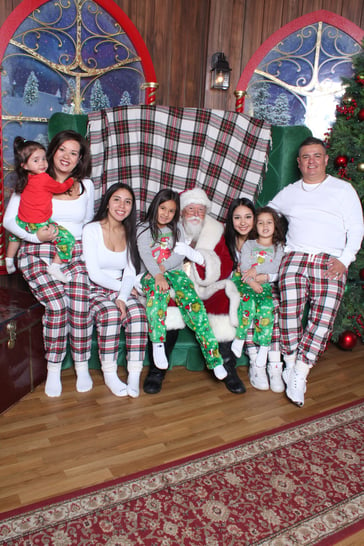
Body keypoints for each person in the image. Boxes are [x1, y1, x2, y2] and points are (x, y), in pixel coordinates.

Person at [269, 136, 364, 407]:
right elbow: (268, 216)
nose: (312, 161)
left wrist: (345, 260)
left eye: (317, 156)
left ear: (325, 159)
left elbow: (356, 228)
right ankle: (289, 361)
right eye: (306, 157)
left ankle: (301, 370)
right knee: (288, 312)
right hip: (295, 258)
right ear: (299, 163)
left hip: (330, 260)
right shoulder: (289, 192)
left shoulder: (342, 189)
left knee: (322, 319)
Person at [4, 130, 95, 398]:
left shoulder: (87, 186)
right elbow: (10, 222)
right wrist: (35, 236)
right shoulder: (32, 180)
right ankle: (54, 369)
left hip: (72, 253)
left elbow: (88, 226)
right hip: (36, 250)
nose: (67, 156)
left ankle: (81, 366)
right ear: (52, 151)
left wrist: (87, 258)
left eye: (74, 152)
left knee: (80, 306)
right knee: (57, 306)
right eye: (62, 150)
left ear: (79, 159)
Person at [142, 187, 245, 395]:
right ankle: (157, 369)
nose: (196, 214)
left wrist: (199, 257)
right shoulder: (168, 227)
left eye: (201, 210)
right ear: (181, 212)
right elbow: (151, 257)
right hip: (176, 284)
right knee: (167, 302)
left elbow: (225, 265)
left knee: (224, 298)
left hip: (205, 286)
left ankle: (226, 365)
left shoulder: (217, 230)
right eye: (191, 209)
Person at [82, 183, 148, 398]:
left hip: (121, 286)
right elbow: (94, 273)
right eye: (117, 199)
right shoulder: (91, 229)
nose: (122, 206)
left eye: (128, 202)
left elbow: (129, 271)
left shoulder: (129, 232)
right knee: (111, 314)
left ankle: (134, 375)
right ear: (108, 203)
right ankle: (109, 373)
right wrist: (122, 291)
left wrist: (122, 296)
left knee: (138, 313)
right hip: (95, 288)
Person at [6, 136, 75, 283]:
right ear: (24, 165)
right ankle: (55, 266)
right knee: (68, 239)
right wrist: (71, 180)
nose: (43, 163)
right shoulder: (44, 178)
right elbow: (60, 187)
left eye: (44, 159)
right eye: (36, 160)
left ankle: (9, 260)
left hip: (22, 222)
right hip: (39, 224)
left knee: (14, 236)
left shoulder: (23, 180)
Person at [231, 206, 285, 391]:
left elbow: (276, 265)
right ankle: (239, 338)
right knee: (247, 303)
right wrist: (252, 280)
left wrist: (258, 271)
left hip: (265, 285)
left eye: (269, 222)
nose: (264, 226)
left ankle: (263, 349)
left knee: (266, 308)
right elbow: (245, 264)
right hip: (247, 283)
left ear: (275, 226)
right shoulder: (249, 245)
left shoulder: (278, 247)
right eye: (260, 222)